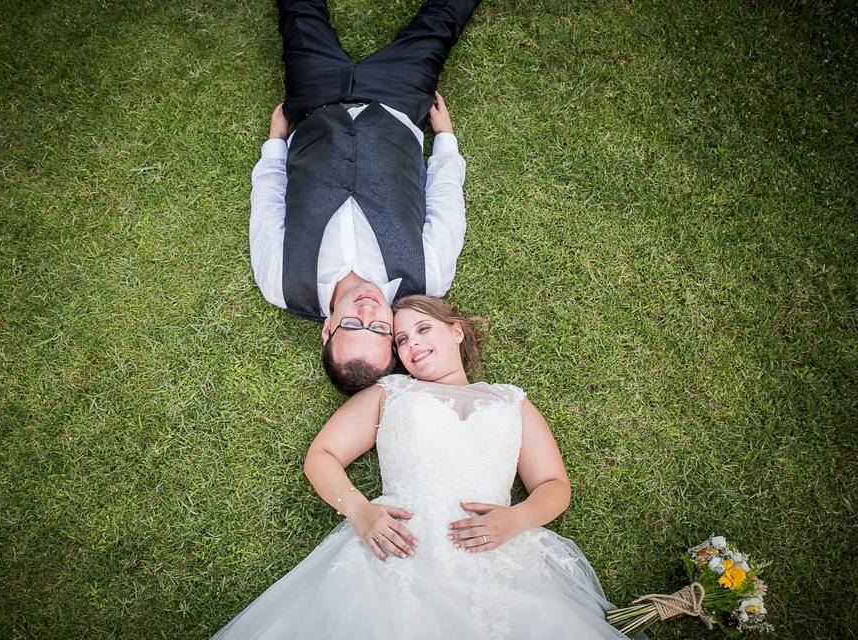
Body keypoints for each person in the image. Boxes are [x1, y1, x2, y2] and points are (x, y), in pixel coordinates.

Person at [211, 296, 641, 639]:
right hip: (399, 551)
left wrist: (516, 519)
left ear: (456, 332)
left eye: (422, 329)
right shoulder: (392, 392)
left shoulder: (511, 401)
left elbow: (553, 484)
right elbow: (321, 455)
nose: (411, 344)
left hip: (497, 554)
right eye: (400, 340)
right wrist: (359, 510)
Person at [249, 0, 480, 395]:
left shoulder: (280, 283)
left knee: (299, 15)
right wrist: (444, 139)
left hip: (314, 105)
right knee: (441, 20)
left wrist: (275, 143)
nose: (369, 311)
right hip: (398, 101)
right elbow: (445, 202)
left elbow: (268, 206)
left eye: (353, 324)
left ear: (327, 329)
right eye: (379, 327)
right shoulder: (429, 277)